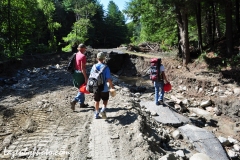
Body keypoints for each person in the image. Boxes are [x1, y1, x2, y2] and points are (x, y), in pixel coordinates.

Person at [91, 52, 114, 119]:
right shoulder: (106, 67)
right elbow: (108, 78)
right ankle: (103, 110)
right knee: (105, 99)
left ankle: (97, 113)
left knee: (96, 101)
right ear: (104, 59)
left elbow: (91, 77)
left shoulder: (94, 66)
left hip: (96, 87)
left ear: (97, 58)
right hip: (104, 87)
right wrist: (112, 86)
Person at [70, 44, 88, 111]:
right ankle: (74, 101)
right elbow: (82, 68)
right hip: (80, 74)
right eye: (85, 48)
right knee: (82, 88)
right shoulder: (83, 56)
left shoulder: (76, 54)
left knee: (80, 88)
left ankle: (82, 103)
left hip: (75, 73)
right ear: (83, 49)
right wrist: (86, 77)